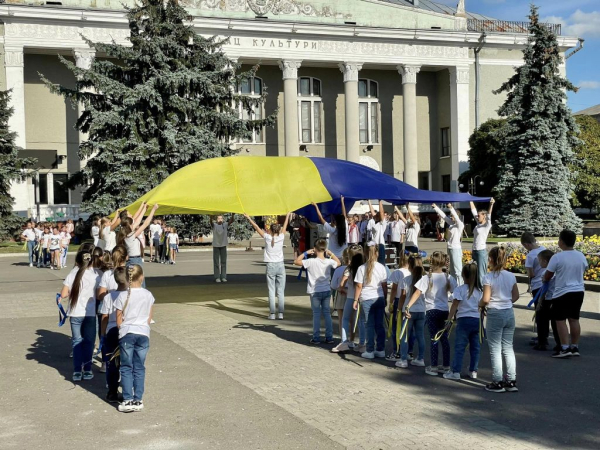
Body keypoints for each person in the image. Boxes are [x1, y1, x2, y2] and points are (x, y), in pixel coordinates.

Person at [405, 251, 457, 376]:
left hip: (431, 311)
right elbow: (456, 295)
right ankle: (446, 365)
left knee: (434, 338)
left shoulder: (427, 278)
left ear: (431, 262)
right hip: (445, 311)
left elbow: (417, 293)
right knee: (444, 339)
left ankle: (433, 366)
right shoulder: (449, 278)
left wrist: (408, 306)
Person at [115, 264, 155, 413]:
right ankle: (138, 399)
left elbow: (118, 321)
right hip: (143, 333)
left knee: (126, 367)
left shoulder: (122, 295)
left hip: (127, 333)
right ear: (142, 277)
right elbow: (149, 318)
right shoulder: (148, 295)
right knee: (139, 367)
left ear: (126, 279)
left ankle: (127, 399)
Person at [58, 248, 102, 381]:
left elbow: (64, 294)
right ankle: (87, 370)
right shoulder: (96, 274)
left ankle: (77, 371)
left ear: (78, 260)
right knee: (89, 343)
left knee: (76, 342)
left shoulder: (72, 273)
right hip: (89, 314)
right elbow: (100, 295)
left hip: (75, 313)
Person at [480, 246, 519, 393]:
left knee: (495, 349)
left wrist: (480, 304)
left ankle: (497, 381)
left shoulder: (488, 277)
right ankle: (511, 380)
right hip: (509, 312)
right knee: (508, 347)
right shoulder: (510, 276)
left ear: (491, 259)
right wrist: (506, 301)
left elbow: (486, 299)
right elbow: (515, 296)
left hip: (495, 312)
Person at [544, 229, 588, 358]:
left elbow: (549, 274)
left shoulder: (557, 257)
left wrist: (544, 279)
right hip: (578, 291)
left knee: (560, 320)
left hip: (562, 292)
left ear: (561, 242)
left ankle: (564, 347)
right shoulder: (580, 255)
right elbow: (584, 269)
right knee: (574, 319)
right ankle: (575, 346)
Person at [294, 238, 340, 344]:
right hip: (326, 289)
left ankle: (316, 337)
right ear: (325, 249)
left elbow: (296, 261)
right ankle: (329, 336)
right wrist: (331, 253)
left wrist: (306, 252)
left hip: (314, 291)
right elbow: (338, 262)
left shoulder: (310, 261)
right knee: (327, 313)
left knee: (316, 314)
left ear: (314, 249)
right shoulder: (329, 261)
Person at [245, 213, 291, 319]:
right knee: (280, 291)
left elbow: (256, 227)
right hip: (280, 265)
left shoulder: (267, 237)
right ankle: (281, 313)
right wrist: (287, 215)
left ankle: (272, 314)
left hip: (270, 265)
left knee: (271, 290)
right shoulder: (281, 237)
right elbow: (285, 225)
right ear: (278, 230)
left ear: (270, 230)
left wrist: (249, 218)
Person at [443, 263, 482, 380]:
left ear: (463, 275)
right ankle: (473, 370)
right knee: (475, 348)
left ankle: (455, 371)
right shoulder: (479, 291)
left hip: (463, 320)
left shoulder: (460, 290)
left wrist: (449, 320)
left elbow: (455, 304)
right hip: (477, 321)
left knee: (460, 347)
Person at [353, 244, 388, 359]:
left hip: (367, 298)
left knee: (369, 325)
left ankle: (369, 349)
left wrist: (355, 299)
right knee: (379, 325)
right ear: (377, 253)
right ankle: (381, 349)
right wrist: (385, 297)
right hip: (379, 297)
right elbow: (384, 285)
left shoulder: (361, 268)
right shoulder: (382, 267)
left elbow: (359, 286)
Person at [99, 265, 126, 403]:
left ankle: (112, 391)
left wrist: (103, 334)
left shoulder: (109, 297)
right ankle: (128, 391)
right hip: (126, 331)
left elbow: (104, 317)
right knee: (127, 362)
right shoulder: (129, 295)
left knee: (112, 363)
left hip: (111, 331)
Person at [117, 203, 160, 288]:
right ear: (129, 225)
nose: (134, 224)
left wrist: (144, 208)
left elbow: (138, 221)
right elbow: (145, 223)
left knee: (131, 283)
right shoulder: (131, 235)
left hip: (131, 260)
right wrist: (153, 209)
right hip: (135, 260)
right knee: (140, 282)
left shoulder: (126, 233)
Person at [333, 245, 366, 353]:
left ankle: (344, 342)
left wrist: (343, 290)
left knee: (345, 319)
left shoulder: (349, 268)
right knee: (361, 321)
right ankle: (362, 343)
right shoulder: (365, 267)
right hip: (362, 297)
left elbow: (341, 284)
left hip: (351, 296)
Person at [396, 255, 426, 368]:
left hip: (408, 311)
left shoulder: (406, 280)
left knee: (405, 335)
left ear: (409, 266)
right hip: (421, 310)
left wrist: (399, 309)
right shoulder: (425, 279)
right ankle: (421, 358)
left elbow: (402, 297)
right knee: (420, 335)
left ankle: (403, 359)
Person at [520, 232, 546, 348]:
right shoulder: (544, 249)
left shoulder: (530, 256)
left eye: (524, 246)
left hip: (537, 285)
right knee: (544, 312)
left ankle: (541, 340)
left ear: (527, 244)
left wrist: (529, 284)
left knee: (539, 312)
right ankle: (543, 335)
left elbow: (531, 274)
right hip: (546, 284)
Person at [386, 253, 410, 361]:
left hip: (398, 300)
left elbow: (394, 289)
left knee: (396, 327)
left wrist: (390, 303)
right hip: (409, 301)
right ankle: (408, 352)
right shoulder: (412, 272)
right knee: (408, 328)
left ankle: (397, 351)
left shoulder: (397, 272)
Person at [433, 203, 465, 284]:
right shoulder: (451, 224)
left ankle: (460, 286)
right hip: (450, 248)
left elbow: (457, 219)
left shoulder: (460, 225)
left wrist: (451, 208)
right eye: (451, 215)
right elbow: (443, 216)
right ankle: (454, 286)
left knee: (458, 270)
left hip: (456, 249)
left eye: (452, 216)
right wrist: (436, 207)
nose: (451, 217)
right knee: (452, 270)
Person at [536, 250, 559, 351]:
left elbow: (545, 283)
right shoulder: (558, 271)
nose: (539, 263)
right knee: (556, 322)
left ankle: (542, 341)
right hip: (557, 298)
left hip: (548, 298)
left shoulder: (547, 272)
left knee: (541, 319)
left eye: (539, 260)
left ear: (545, 261)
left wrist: (540, 301)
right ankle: (559, 343)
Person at [470, 198, 495, 289]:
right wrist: (470, 200)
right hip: (475, 251)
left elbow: (489, 215)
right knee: (475, 272)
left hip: (481, 252)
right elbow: (473, 211)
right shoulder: (478, 225)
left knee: (481, 274)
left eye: (479, 215)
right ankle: (477, 289)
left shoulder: (487, 225)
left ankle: (483, 291)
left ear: (484, 216)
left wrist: (491, 204)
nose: (477, 217)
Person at [211, 215, 234, 283]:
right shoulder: (215, 225)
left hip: (223, 245)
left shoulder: (225, 225)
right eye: (218, 218)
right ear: (216, 220)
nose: (220, 219)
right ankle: (217, 277)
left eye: (221, 218)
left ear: (223, 219)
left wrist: (232, 215)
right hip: (216, 245)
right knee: (216, 262)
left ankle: (223, 277)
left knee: (223, 262)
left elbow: (231, 221)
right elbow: (211, 222)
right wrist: (210, 216)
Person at [367, 200, 388, 266]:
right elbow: (372, 212)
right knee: (373, 263)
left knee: (381, 263)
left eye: (377, 216)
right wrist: (369, 201)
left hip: (380, 245)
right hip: (373, 245)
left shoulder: (382, 223)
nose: (374, 216)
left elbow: (381, 212)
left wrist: (380, 201)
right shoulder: (375, 223)